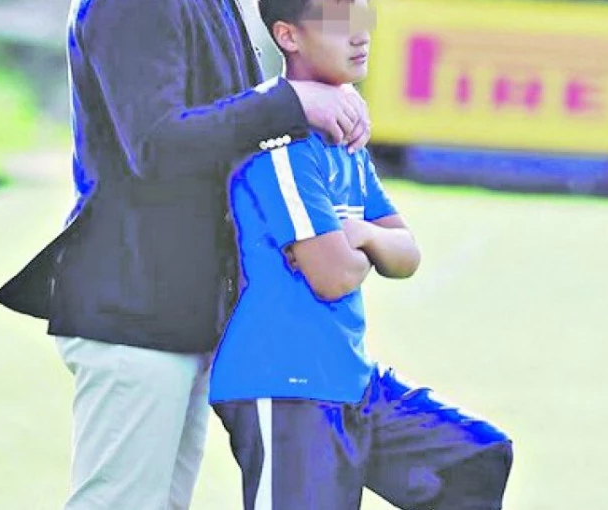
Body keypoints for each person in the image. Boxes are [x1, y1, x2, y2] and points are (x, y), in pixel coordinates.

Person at [0, 0, 373, 508]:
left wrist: (316, 100)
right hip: (133, 312)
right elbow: (156, 145)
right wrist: (291, 101)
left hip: (177, 314)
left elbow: (228, 128)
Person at [209, 1, 514, 508]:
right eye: (339, 24)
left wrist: (358, 233)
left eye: (362, 20)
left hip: (351, 381)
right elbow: (333, 276)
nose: (360, 36)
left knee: (475, 459)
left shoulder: (345, 138)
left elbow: (406, 254)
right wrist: (368, 244)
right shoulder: (281, 144)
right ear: (288, 36)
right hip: (285, 384)